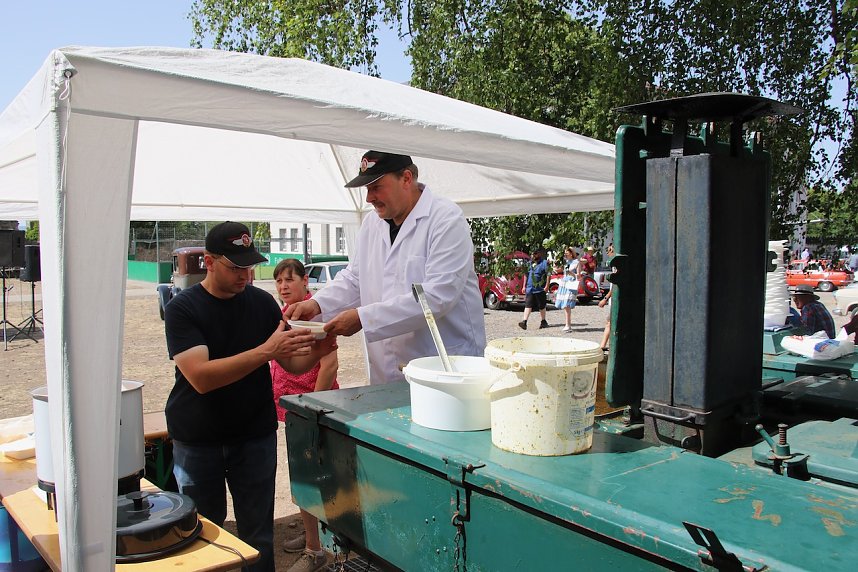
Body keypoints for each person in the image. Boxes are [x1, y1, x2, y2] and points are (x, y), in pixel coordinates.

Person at [164, 222, 337, 572]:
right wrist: (266, 351)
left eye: (249, 265)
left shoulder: (261, 303)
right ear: (209, 263)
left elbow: (289, 359)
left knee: (258, 535)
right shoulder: (184, 308)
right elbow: (200, 377)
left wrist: (321, 345)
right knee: (204, 536)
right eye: (235, 266)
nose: (245, 274)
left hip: (253, 436)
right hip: (199, 440)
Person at [284, 151, 486, 384]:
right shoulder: (372, 224)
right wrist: (317, 304)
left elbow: (437, 296)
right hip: (387, 371)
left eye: (376, 187)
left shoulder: (445, 219)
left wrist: (363, 319)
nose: (369, 198)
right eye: (366, 190)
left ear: (406, 179)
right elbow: (355, 278)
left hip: (442, 367)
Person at [270, 259, 339, 572]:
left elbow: (329, 364)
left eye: (289, 280)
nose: (283, 286)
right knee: (300, 470)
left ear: (304, 283)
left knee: (310, 473)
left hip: (310, 407)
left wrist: (312, 410)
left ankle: (317, 550)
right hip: (290, 407)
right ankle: (313, 533)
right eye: (279, 281)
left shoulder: (314, 313)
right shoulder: (282, 314)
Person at [519, 247, 550, 330]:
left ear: (539, 254)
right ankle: (524, 322)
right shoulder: (529, 264)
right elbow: (526, 275)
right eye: (532, 254)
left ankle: (543, 321)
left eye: (535, 253)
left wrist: (547, 285)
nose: (533, 255)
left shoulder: (544, 263)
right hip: (530, 288)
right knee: (528, 305)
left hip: (540, 288)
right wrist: (524, 286)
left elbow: (548, 274)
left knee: (541, 306)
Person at [553, 247, 580, 333]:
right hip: (564, 284)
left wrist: (571, 273)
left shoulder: (577, 263)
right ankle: (567, 324)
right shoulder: (566, 263)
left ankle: (568, 325)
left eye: (567, 253)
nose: (565, 254)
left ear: (571, 253)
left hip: (571, 284)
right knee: (565, 305)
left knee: (567, 304)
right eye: (565, 253)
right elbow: (563, 272)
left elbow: (578, 276)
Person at [598, 244, 615, 351]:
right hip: (613, 299)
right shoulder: (614, 267)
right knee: (609, 322)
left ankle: (603, 346)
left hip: (614, 299)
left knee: (609, 322)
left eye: (610, 251)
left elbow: (615, 287)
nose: (608, 253)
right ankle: (603, 345)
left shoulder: (617, 267)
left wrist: (605, 298)